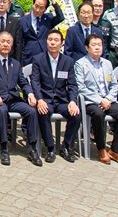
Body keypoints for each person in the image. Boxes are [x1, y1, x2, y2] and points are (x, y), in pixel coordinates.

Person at [0, 31, 42, 166]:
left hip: (13, 99)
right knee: (2, 111)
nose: (5, 44)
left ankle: (32, 147)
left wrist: (30, 94)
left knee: (32, 111)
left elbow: (23, 82)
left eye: (8, 42)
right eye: (3, 41)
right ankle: (4, 148)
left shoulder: (15, 63)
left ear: (12, 45)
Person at [75, 34, 118, 165]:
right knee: (98, 114)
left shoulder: (107, 63)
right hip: (91, 101)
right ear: (87, 48)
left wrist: (108, 99)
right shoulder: (80, 64)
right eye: (94, 45)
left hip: (108, 99)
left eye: (99, 45)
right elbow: (81, 87)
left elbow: (114, 85)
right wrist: (99, 100)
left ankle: (115, 151)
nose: (97, 48)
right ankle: (101, 148)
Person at [30, 30, 81, 163]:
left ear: (62, 43)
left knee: (76, 115)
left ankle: (66, 146)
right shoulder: (38, 59)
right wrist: (39, 99)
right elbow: (35, 82)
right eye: (50, 39)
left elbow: (72, 84)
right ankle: (50, 148)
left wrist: (73, 101)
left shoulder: (68, 61)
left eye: (56, 40)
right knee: (43, 112)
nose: (52, 43)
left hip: (61, 100)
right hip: (45, 99)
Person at [20, 0, 64, 66]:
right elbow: (19, 42)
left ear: (45, 9)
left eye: (41, 8)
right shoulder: (22, 21)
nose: (37, 10)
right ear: (33, 4)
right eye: (36, 6)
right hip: (28, 57)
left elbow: (60, 17)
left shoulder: (48, 19)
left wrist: (53, 1)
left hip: (45, 56)